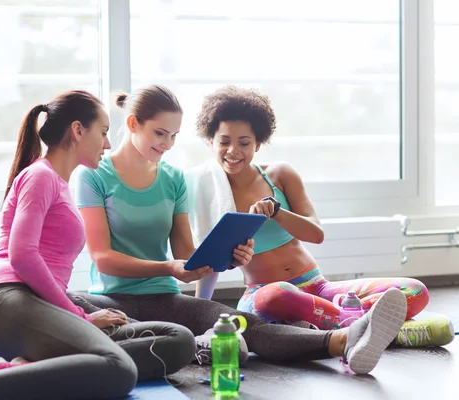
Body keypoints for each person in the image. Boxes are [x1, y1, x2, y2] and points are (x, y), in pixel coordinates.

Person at [70, 83, 410, 375]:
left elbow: (187, 256)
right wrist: (171, 268)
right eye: (160, 134)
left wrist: (226, 258)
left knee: (240, 326)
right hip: (112, 298)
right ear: (132, 124)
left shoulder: (173, 178)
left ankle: (345, 339)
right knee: (172, 337)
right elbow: (102, 259)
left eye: (173, 135)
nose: (168, 144)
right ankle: (191, 346)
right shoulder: (94, 176)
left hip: (163, 296)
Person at [0, 90, 196, 400]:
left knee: (178, 339)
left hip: (42, 308)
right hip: (11, 304)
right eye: (103, 132)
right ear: (78, 131)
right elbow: (22, 255)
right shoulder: (40, 176)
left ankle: (24, 371)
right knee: (119, 369)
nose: (107, 143)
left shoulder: (59, 183)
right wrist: (81, 315)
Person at [186, 85, 454, 348]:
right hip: (265, 295)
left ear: (258, 143)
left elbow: (316, 234)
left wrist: (277, 212)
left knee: (415, 290)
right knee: (275, 295)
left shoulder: (280, 174)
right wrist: (200, 312)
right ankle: (367, 327)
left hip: (318, 289)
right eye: (224, 141)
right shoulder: (210, 191)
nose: (233, 151)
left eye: (244, 142)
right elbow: (208, 261)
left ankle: (348, 328)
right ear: (211, 141)